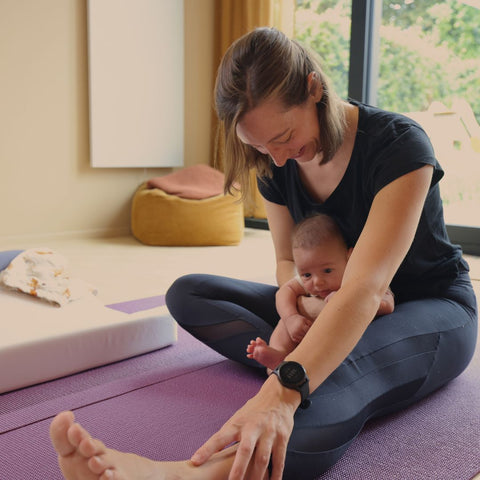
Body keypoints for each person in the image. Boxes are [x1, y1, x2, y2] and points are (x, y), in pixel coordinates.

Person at [50, 27, 477, 480]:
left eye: (284, 136)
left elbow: (367, 289)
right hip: (328, 300)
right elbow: (287, 265)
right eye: (258, 146)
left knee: (321, 380)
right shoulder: (276, 165)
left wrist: (283, 390)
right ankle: (309, 362)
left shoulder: (399, 146)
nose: (276, 158)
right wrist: (298, 310)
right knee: (189, 293)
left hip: (427, 308)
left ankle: (188, 475)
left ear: (313, 88)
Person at [247, 213, 395, 370]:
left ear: (350, 257)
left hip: (345, 341)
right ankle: (279, 356)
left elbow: (388, 304)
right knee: (283, 324)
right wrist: (291, 318)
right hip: (306, 334)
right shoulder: (312, 279)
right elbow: (285, 291)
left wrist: (349, 299)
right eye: (307, 275)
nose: (317, 282)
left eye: (327, 270)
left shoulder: (361, 278)